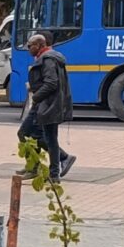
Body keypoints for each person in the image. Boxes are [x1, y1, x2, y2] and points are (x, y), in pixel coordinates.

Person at [19, 32, 77, 181]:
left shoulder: (48, 59)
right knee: (28, 134)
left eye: (30, 46)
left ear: (39, 45)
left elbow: (51, 83)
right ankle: (37, 167)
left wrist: (36, 96)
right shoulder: (46, 58)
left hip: (47, 105)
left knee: (46, 138)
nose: (28, 48)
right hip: (44, 104)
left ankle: (53, 172)